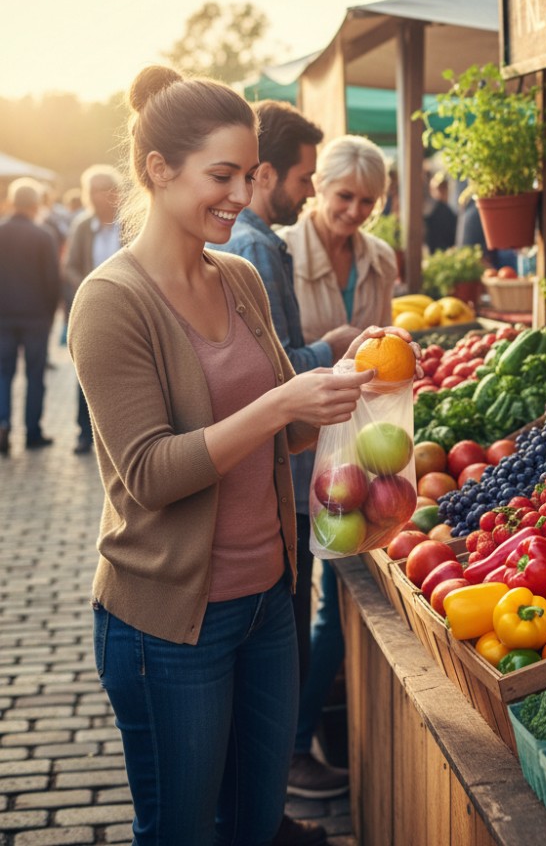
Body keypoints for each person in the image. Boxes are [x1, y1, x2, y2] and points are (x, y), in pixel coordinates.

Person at [68, 66, 397, 846]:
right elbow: (148, 474)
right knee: (183, 832)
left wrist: (354, 393)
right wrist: (284, 401)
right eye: (222, 176)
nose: (242, 197)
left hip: (264, 605)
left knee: (254, 824)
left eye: (248, 176)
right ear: (158, 169)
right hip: (169, 625)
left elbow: (285, 433)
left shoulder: (242, 276)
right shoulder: (111, 300)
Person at [207, 101, 355, 829]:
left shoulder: (245, 256)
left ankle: (273, 797)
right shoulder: (257, 251)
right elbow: (274, 379)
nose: (302, 191)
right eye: (302, 177)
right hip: (270, 501)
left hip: (273, 500)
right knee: (291, 628)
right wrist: (333, 351)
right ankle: (283, 777)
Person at [277, 133, 397, 800]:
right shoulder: (280, 256)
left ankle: (307, 741)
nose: (354, 211)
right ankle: (293, 748)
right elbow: (279, 361)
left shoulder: (380, 260)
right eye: (344, 196)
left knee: (336, 608)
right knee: (304, 607)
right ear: (318, 188)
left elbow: (386, 361)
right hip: (301, 454)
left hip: (361, 453)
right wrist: (335, 355)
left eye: (367, 201)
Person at [63, 165, 123, 454]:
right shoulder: (83, 227)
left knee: (126, 371)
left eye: (107, 188)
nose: (102, 195)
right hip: (92, 311)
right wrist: (89, 286)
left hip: (127, 309)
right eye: (96, 190)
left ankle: (122, 433)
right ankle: (84, 433)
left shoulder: (131, 222)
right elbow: (71, 266)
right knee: (87, 372)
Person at [0, 177, 61, 454]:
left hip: (2, 316)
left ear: (12, 202)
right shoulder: (43, 235)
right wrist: (50, 314)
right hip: (36, 315)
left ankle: (2, 423)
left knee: (3, 375)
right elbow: (52, 280)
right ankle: (32, 433)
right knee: (35, 376)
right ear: (36, 205)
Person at [424, 172, 457, 252]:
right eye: (439, 188)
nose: (441, 191)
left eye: (444, 188)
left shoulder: (447, 211)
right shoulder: (434, 210)